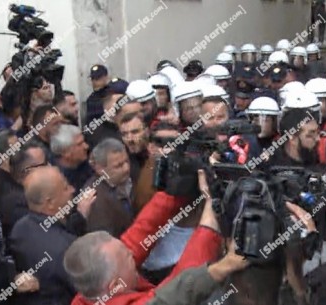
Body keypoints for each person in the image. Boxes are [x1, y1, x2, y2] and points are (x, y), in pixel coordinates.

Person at [64, 170, 223, 305]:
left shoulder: (90, 293)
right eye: (128, 257)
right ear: (116, 286)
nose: (131, 253)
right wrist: (211, 207)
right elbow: (182, 284)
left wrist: (172, 193)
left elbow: (141, 232)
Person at [10, 166, 96, 305]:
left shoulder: (19, 229)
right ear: (49, 203)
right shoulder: (67, 250)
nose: (73, 190)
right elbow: (89, 293)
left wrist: (80, 218)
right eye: (65, 188)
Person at [84, 138, 133, 238]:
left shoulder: (126, 179)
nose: (126, 168)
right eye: (119, 166)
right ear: (100, 169)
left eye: (127, 161)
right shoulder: (96, 201)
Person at [50, 124, 93, 193]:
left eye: (84, 141)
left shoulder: (89, 164)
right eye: (79, 144)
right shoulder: (58, 181)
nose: (86, 146)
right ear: (65, 152)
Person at [119, 113, 149, 185]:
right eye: (124, 134)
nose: (130, 139)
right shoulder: (120, 165)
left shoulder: (158, 156)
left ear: (147, 132)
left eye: (135, 132)